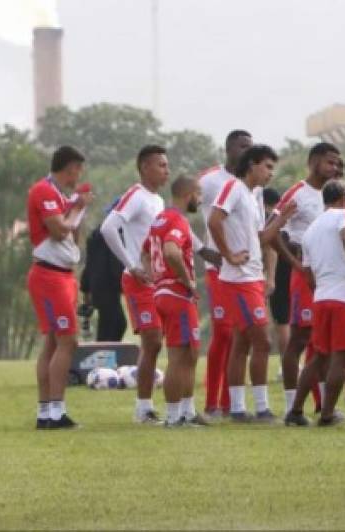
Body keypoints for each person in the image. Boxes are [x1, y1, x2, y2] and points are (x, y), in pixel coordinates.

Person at [262, 143, 345, 417]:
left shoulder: (336, 195)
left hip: (330, 277)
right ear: (313, 162)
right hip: (306, 275)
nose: (336, 168)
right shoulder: (298, 193)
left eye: (338, 164)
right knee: (300, 339)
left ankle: (325, 405)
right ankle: (293, 406)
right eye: (330, 162)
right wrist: (296, 265)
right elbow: (270, 233)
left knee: (324, 342)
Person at [285, 180, 345, 426]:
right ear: (344, 196)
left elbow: (307, 270)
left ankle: (296, 411)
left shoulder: (312, 229)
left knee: (319, 357)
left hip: (321, 298)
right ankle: (327, 414)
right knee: (341, 358)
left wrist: (322, 288)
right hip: (344, 297)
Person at [207, 144, 279, 422]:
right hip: (238, 280)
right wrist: (228, 255)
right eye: (267, 166)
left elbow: (258, 239)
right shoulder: (233, 188)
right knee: (262, 341)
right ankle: (261, 408)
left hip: (251, 277)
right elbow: (214, 220)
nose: (271, 173)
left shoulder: (252, 195)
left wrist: (281, 219)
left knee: (241, 343)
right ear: (251, 165)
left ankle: (236, 408)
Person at [100, 145, 169, 424]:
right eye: (161, 165)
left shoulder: (158, 201)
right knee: (151, 341)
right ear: (144, 167)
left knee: (155, 344)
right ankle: (143, 408)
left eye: (167, 165)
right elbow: (108, 228)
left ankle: (147, 406)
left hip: (156, 280)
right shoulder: (136, 196)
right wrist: (131, 265)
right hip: (137, 281)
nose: (166, 170)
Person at [28, 146, 92, 429]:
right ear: (69, 167)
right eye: (78, 169)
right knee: (68, 341)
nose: (79, 175)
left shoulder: (60, 195)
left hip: (62, 275)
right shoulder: (43, 191)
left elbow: (72, 236)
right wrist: (76, 207)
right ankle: (56, 412)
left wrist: (77, 208)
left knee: (54, 342)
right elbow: (57, 230)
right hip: (49, 277)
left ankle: (46, 413)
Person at [141, 176, 208, 427]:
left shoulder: (159, 219)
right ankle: (173, 417)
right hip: (177, 294)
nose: (200, 200)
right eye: (199, 195)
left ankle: (187, 412)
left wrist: (153, 277)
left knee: (189, 354)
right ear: (189, 194)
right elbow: (170, 251)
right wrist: (187, 280)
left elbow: (146, 251)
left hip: (163, 293)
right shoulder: (176, 219)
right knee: (180, 357)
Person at [199, 129, 254, 417]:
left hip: (246, 272)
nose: (247, 151)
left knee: (241, 335)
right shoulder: (209, 181)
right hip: (218, 268)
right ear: (228, 149)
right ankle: (212, 404)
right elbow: (180, 210)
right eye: (242, 146)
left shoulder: (251, 185)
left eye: (251, 147)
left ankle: (231, 402)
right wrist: (199, 248)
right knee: (222, 332)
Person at [80, 216, 126, 341]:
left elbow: (89, 265)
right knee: (113, 324)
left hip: (99, 286)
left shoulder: (97, 234)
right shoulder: (113, 233)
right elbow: (115, 265)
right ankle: (103, 358)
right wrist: (124, 284)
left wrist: (86, 288)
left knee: (116, 323)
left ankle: (108, 357)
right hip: (107, 286)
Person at [262, 187, 290, 362]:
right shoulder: (283, 218)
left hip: (277, 272)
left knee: (281, 322)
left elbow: (269, 249)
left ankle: (286, 364)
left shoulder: (266, 220)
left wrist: (269, 277)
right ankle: (289, 363)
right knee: (288, 320)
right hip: (290, 269)